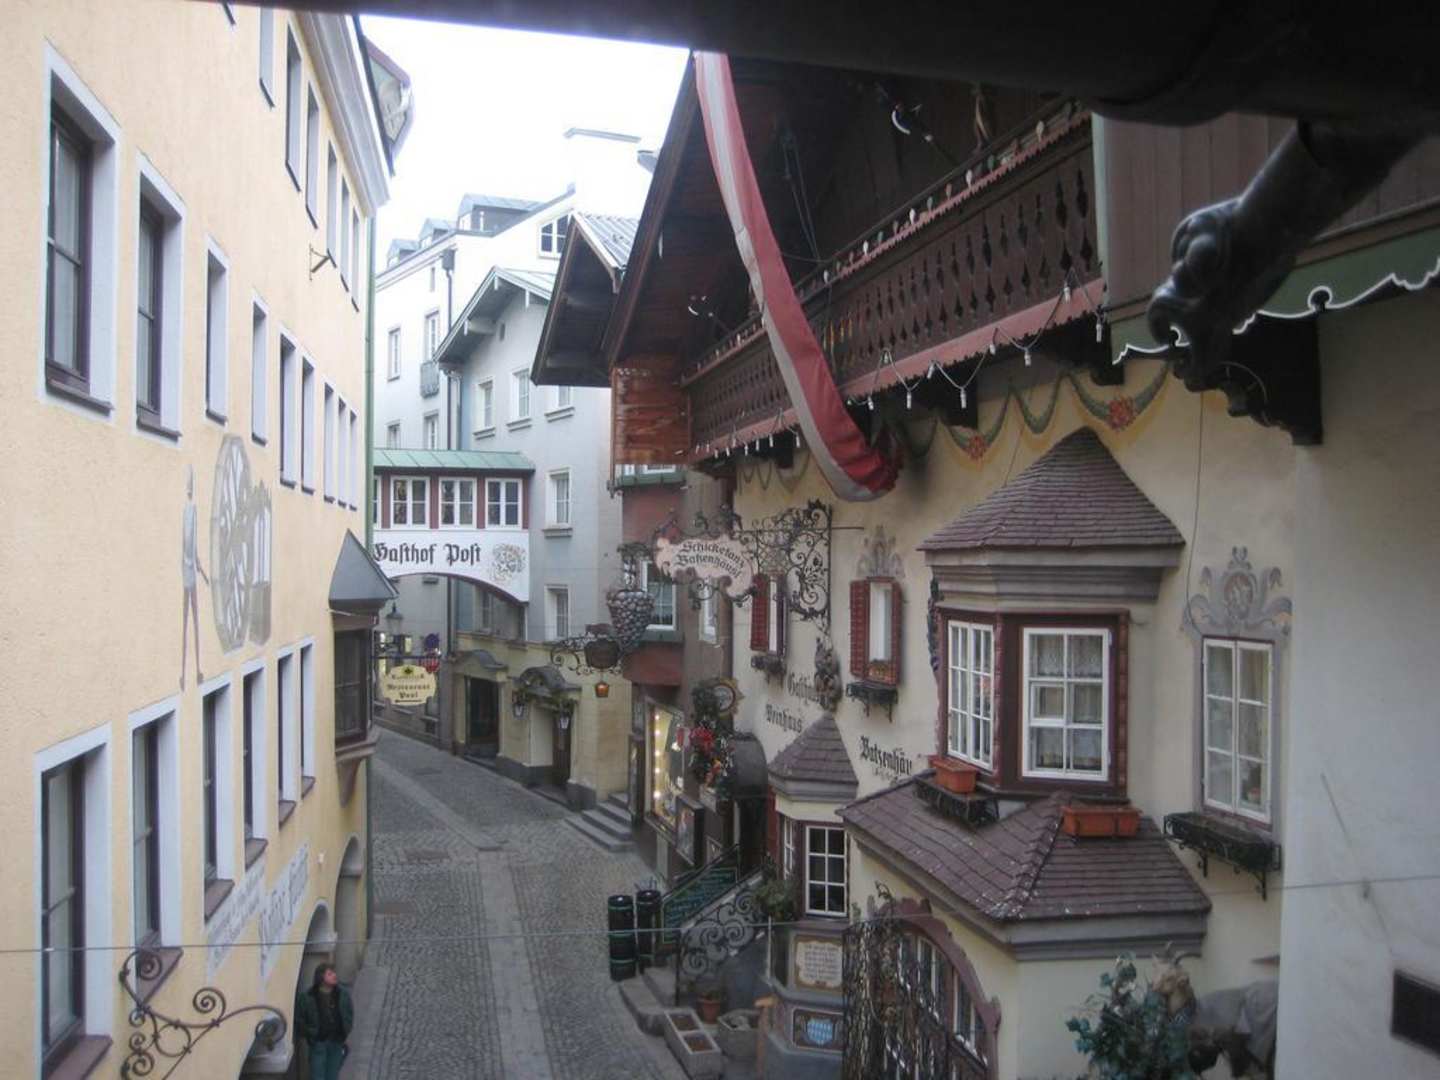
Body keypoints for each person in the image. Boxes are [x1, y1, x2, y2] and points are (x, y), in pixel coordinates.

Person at [295, 963, 353, 1080]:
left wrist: (345, 1031)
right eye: (330, 974)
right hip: (318, 1043)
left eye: (333, 973)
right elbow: (299, 1020)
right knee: (317, 1075)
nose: (334, 975)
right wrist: (312, 1033)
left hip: (336, 1041)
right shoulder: (307, 997)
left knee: (332, 1075)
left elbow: (349, 1013)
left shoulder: (342, 994)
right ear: (321, 978)